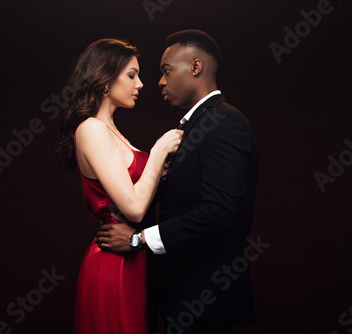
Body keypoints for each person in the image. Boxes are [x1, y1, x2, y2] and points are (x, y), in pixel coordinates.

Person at [96, 30, 259, 334]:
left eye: (166, 71)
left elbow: (220, 213)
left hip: (203, 300)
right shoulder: (197, 127)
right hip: (181, 297)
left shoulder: (225, 122)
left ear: (196, 68)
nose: (158, 81)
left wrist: (137, 240)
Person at [57, 38, 183, 334]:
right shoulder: (91, 130)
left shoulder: (114, 133)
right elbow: (135, 209)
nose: (140, 84)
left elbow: (141, 197)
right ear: (104, 79)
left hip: (137, 256)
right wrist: (159, 151)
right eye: (131, 75)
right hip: (115, 263)